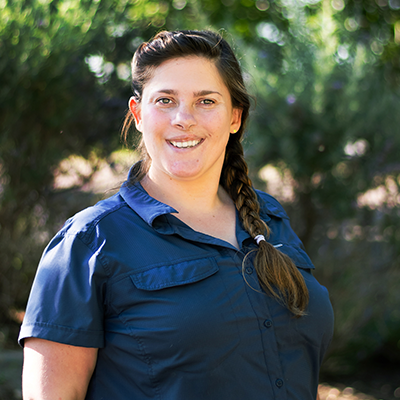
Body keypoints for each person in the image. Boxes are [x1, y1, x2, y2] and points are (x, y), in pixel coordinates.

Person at [19, 30, 334, 400]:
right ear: (138, 114)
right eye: (165, 100)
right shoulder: (89, 243)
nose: (184, 118)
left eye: (206, 101)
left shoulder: (270, 219)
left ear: (235, 116)